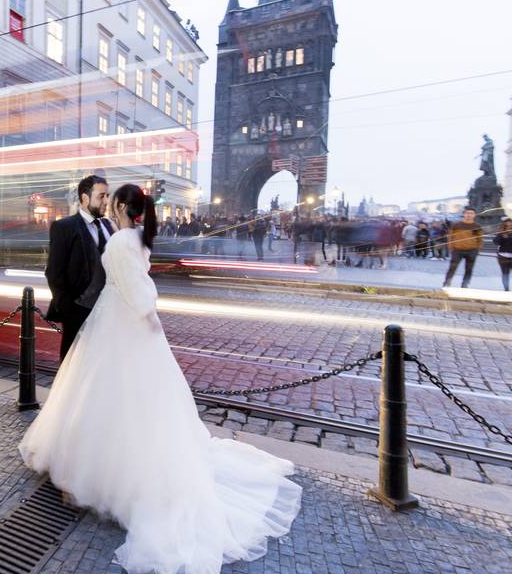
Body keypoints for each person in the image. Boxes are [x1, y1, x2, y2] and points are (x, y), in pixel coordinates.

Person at [19, 184, 301, 573]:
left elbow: (136, 293)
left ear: (119, 206)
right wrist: (149, 320)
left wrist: (145, 315)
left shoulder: (119, 242)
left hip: (116, 326)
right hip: (128, 328)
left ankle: (100, 471)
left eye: (110, 198)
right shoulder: (138, 239)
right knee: (136, 400)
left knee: (102, 395)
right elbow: (142, 288)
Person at [43, 175, 114, 361]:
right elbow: (54, 272)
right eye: (101, 196)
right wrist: (69, 310)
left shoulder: (109, 226)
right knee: (72, 365)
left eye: (107, 196)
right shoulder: (64, 227)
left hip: (107, 311)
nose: (106, 201)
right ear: (85, 198)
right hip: (78, 311)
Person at [442, 207, 483, 289]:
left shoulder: (477, 226)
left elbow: (480, 239)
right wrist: (451, 247)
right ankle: (447, 283)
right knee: (452, 267)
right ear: (464, 214)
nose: (469, 215)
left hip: (471, 250)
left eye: (471, 213)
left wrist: (477, 250)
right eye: (467, 213)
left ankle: (465, 284)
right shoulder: (456, 225)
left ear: (474, 215)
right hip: (457, 250)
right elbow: (450, 237)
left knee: (469, 269)